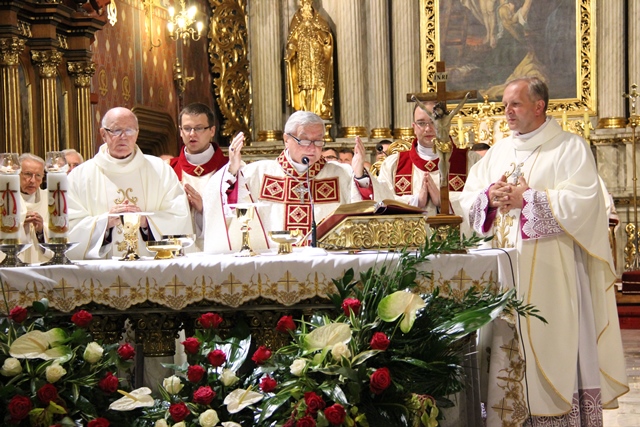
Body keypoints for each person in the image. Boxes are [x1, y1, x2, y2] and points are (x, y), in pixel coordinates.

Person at [460, 77, 628, 425]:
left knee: (552, 346)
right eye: (504, 105)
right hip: (503, 276)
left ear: (539, 106)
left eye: (515, 104)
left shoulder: (569, 147)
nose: (507, 112)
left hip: (553, 275)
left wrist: (529, 200)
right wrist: (488, 198)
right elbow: (469, 197)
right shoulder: (498, 152)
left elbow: (584, 203)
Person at [202, 110, 392, 253]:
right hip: (272, 270)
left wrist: (359, 175)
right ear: (286, 139)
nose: (312, 148)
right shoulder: (259, 173)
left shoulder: (341, 174)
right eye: (304, 140)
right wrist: (232, 170)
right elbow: (222, 201)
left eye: (318, 141)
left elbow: (373, 208)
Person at [66, 107, 193, 259]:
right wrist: (104, 223)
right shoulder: (79, 176)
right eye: (116, 130)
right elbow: (68, 227)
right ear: (103, 134)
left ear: (137, 133)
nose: (123, 137)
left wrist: (147, 222)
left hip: (150, 268)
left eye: (129, 130)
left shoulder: (160, 170)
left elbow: (179, 216)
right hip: (102, 270)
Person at [377, 101, 469, 217]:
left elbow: (479, 200)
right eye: (421, 123)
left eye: (433, 121)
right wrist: (416, 201)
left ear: (446, 124)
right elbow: (381, 202)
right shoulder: (392, 164)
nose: (428, 128)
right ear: (414, 128)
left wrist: (444, 201)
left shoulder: (470, 161)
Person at [170, 103, 228, 251]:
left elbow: (239, 218)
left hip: (219, 252)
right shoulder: (169, 169)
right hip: (179, 253)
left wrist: (204, 210)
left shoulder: (230, 169)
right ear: (180, 132)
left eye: (199, 128)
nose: (192, 134)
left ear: (212, 131)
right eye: (187, 128)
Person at [285, 0, 334, 119]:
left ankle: (319, 111)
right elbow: (292, 40)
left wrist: (321, 35)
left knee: (317, 86)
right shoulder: (296, 19)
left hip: (317, 61)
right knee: (304, 87)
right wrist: (290, 51)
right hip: (303, 61)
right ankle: (304, 113)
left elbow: (327, 38)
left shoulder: (319, 19)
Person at [18, 153, 51, 263]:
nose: (32, 180)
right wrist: (19, 225)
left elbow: (60, 235)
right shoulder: (5, 200)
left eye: (38, 176)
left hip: (41, 266)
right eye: (28, 174)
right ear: (17, 174)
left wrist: (41, 230)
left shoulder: (50, 200)